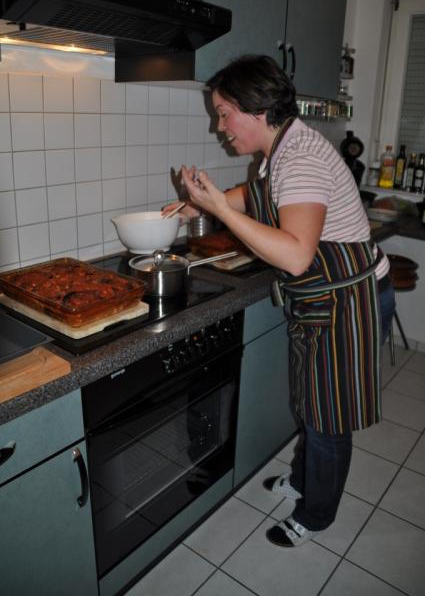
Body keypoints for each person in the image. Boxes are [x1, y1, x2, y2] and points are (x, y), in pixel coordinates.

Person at [163, 54, 395, 548]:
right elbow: (258, 192)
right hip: (324, 299)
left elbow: (294, 255)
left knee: (327, 418)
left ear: (257, 107)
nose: (220, 126)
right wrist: (197, 205)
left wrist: (219, 210)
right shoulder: (282, 149)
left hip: (348, 302)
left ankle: (316, 514)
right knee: (311, 406)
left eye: (224, 113)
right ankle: (305, 479)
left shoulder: (302, 158)